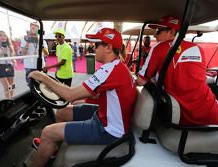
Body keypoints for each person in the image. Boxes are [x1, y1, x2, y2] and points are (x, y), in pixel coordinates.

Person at [28, 28, 137, 167]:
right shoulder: (117, 66)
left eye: (96, 45)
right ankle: (53, 147)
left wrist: (41, 76)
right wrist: (81, 99)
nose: (93, 48)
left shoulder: (110, 70)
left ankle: (47, 145)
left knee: (47, 132)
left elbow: (69, 94)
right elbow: (99, 94)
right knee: (62, 111)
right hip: (105, 117)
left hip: (108, 131)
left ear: (109, 48)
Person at [136, 15, 218, 137]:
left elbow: (141, 80)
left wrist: (152, 82)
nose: (154, 36)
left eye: (158, 32)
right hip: (212, 114)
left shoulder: (159, 48)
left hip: (183, 120)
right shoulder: (197, 48)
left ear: (172, 32)